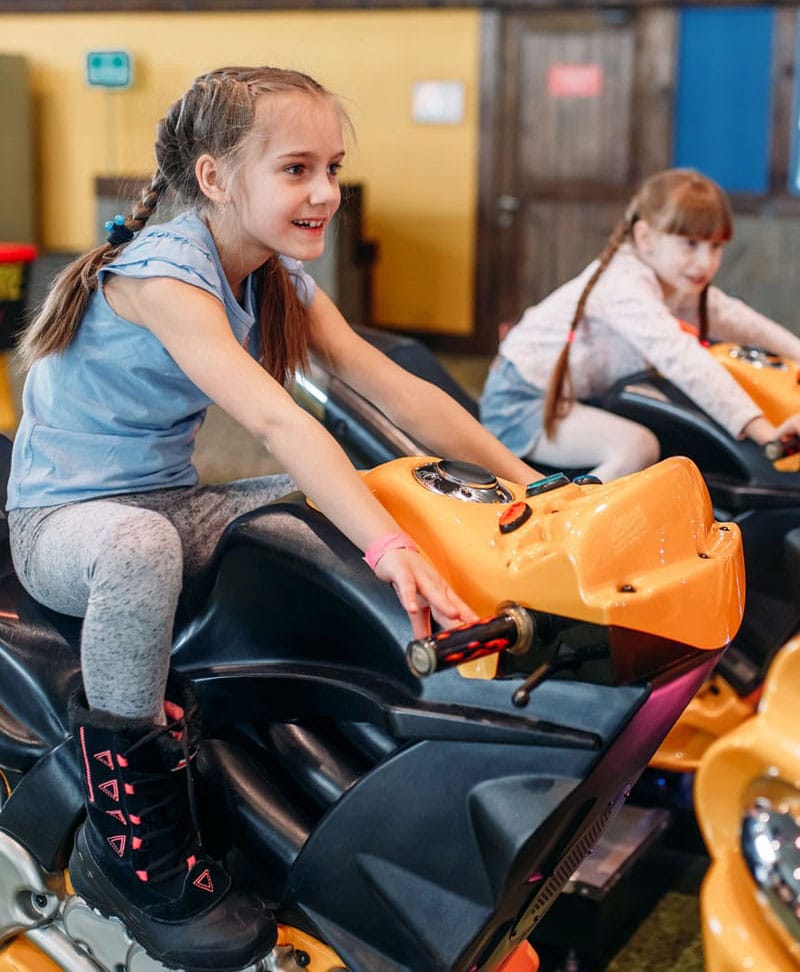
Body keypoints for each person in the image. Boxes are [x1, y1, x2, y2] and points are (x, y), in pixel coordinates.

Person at [6, 67, 541, 971]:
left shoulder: (276, 278)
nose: (325, 192)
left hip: (176, 500)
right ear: (215, 178)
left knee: (388, 489)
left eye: (331, 166)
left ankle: (351, 740)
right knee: (151, 545)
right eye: (296, 168)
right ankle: (132, 848)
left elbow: (400, 390)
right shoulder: (162, 278)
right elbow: (274, 421)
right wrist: (389, 547)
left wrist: (540, 486)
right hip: (68, 520)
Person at [480, 168, 800, 481]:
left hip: (572, 396)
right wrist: (765, 433)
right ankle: (566, 522)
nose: (706, 262)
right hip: (521, 402)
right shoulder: (623, 283)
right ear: (645, 237)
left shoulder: (674, 282)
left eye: (715, 246)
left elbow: (741, 321)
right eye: (690, 244)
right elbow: (681, 358)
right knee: (638, 447)